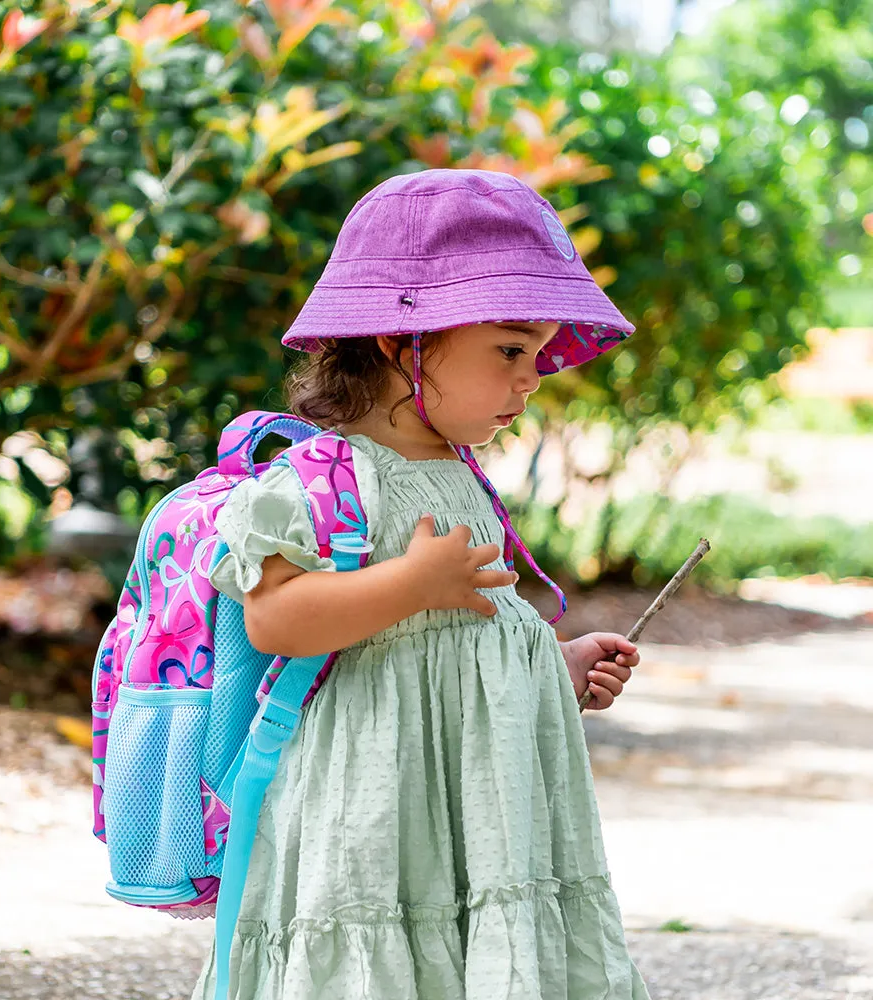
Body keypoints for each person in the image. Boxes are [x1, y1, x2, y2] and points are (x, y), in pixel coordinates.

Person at [192, 169, 650, 999]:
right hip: (376, 813)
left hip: (480, 813)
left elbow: (473, 630)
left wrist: (558, 666)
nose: (533, 376)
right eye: (511, 349)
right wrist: (408, 583)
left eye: (539, 354)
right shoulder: (326, 476)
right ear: (398, 342)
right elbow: (278, 621)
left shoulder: (461, 472)